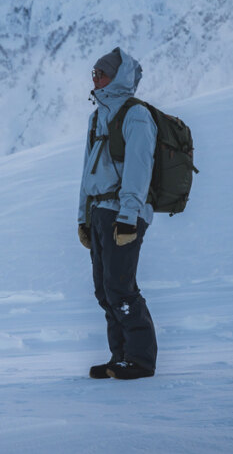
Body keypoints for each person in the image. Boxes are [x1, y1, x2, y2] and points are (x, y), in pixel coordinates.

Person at [77, 47, 158, 380]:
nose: (95, 79)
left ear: (118, 77)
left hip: (123, 214)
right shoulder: (98, 116)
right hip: (100, 212)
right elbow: (87, 173)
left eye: (102, 73)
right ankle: (119, 356)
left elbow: (139, 171)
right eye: (93, 73)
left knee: (120, 286)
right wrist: (83, 217)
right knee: (103, 288)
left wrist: (128, 217)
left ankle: (140, 359)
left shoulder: (135, 115)